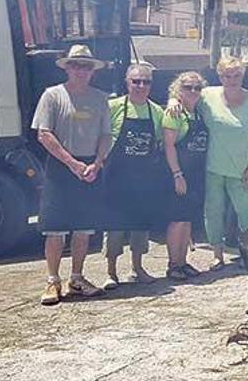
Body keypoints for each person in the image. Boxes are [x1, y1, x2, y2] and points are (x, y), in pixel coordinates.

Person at [32, 45, 110, 305]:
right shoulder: (52, 96)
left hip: (89, 167)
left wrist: (97, 164)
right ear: (67, 68)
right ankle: (52, 281)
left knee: (83, 229)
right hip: (60, 166)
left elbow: (106, 135)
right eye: (75, 65)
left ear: (92, 71)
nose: (81, 70)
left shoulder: (100, 98)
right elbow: (44, 134)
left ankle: (76, 278)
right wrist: (72, 163)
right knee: (54, 229)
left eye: (86, 66)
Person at [200, 57, 248, 270]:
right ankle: (217, 255)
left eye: (236, 75)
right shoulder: (207, 95)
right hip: (212, 168)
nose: (232, 80)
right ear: (220, 76)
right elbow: (183, 97)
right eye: (227, 76)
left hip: (242, 170)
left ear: (243, 75)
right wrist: (174, 101)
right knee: (213, 212)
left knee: (247, 213)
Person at [101, 63, 164, 289]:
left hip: (144, 177)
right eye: (135, 81)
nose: (140, 86)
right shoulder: (114, 106)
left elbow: (160, 142)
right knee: (115, 226)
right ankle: (111, 272)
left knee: (140, 225)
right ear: (127, 83)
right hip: (116, 176)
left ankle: (137, 269)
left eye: (145, 82)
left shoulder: (156, 111)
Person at [162, 71, 209, 281]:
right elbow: (169, 145)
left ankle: (183, 262)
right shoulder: (174, 113)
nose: (192, 91)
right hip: (179, 173)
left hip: (197, 173)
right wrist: (177, 174)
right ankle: (173, 265)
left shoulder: (198, 112)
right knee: (177, 219)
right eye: (187, 87)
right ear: (177, 90)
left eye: (197, 88)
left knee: (188, 218)